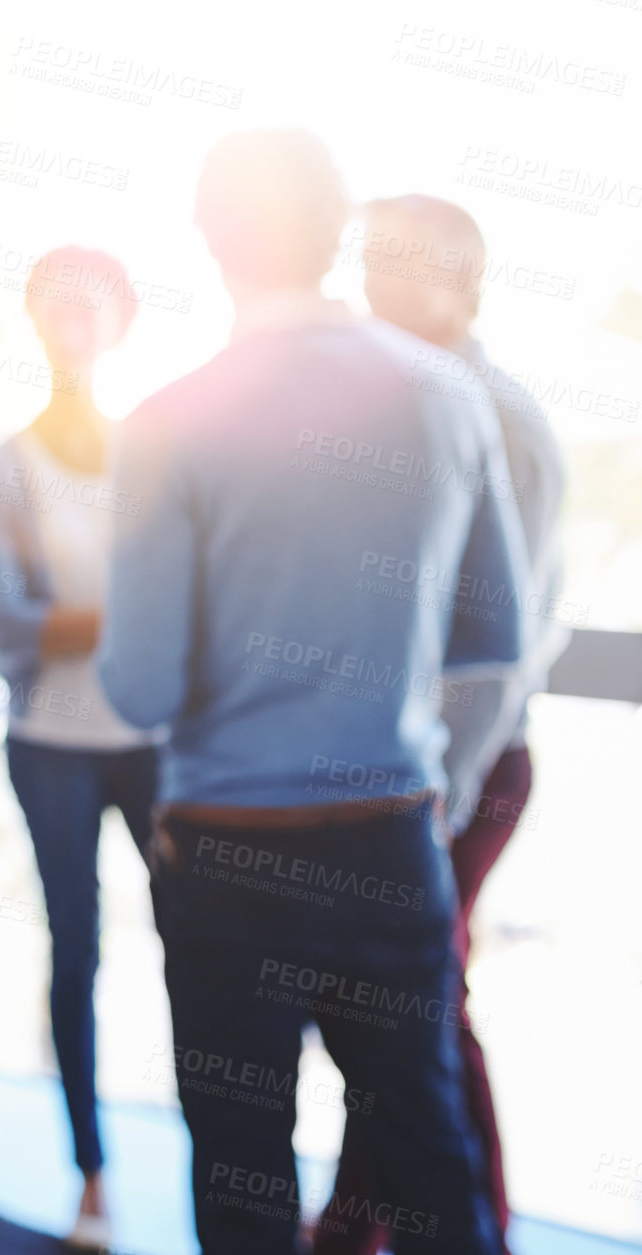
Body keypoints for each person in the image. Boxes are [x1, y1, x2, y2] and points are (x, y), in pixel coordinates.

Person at [94, 129, 530, 1254]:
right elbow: (490, 642)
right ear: (339, 236)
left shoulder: (167, 421)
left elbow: (138, 687)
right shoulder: (444, 396)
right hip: (389, 839)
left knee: (240, 1165)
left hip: (227, 853)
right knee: (427, 1158)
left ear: (205, 236)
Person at [311, 194, 571, 1255]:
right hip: (400, 772)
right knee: (397, 1011)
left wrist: (434, 800)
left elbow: (495, 655)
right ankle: (358, 1221)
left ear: (463, 282)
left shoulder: (495, 418)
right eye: (368, 261)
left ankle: (462, 1229)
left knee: (420, 1012)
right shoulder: (395, 404)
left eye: (404, 265)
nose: (376, 285)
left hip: (461, 774)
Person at [0, 245, 164, 1251]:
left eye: (90, 305)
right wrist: (132, 612)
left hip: (149, 740)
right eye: (52, 303)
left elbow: (187, 612)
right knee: (74, 948)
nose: (70, 322)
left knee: (195, 939)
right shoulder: (2, 468)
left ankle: (218, 1145)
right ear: (32, 317)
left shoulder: (153, 455)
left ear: (119, 321)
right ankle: (90, 1174)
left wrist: (89, 616)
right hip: (49, 739)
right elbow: (8, 622)